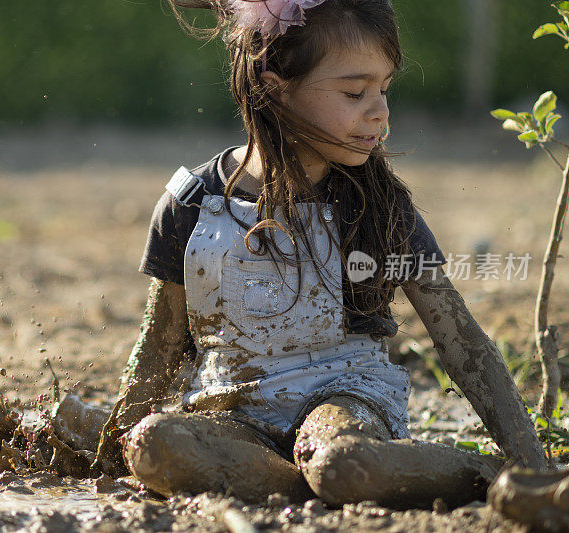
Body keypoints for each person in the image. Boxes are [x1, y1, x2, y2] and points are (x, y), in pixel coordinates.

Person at [91, 0, 548, 508]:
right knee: (155, 445)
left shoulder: (377, 206)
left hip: (346, 402)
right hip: (232, 414)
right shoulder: (192, 204)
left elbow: (464, 347)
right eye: (355, 92)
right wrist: (116, 454)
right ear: (274, 86)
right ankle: (306, 483)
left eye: (384, 89)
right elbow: (158, 347)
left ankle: (483, 474)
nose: (380, 111)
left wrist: (534, 467)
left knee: (339, 461)